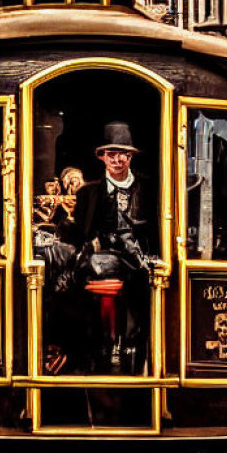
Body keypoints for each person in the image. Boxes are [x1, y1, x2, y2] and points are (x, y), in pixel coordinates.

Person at [70, 122, 155, 374]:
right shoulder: (88, 193)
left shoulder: (147, 188)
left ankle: (132, 355)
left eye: (123, 154)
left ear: (130, 156)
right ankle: (96, 354)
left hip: (137, 265)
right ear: (102, 157)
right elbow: (79, 233)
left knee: (140, 299)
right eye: (111, 154)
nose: (117, 160)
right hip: (99, 263)